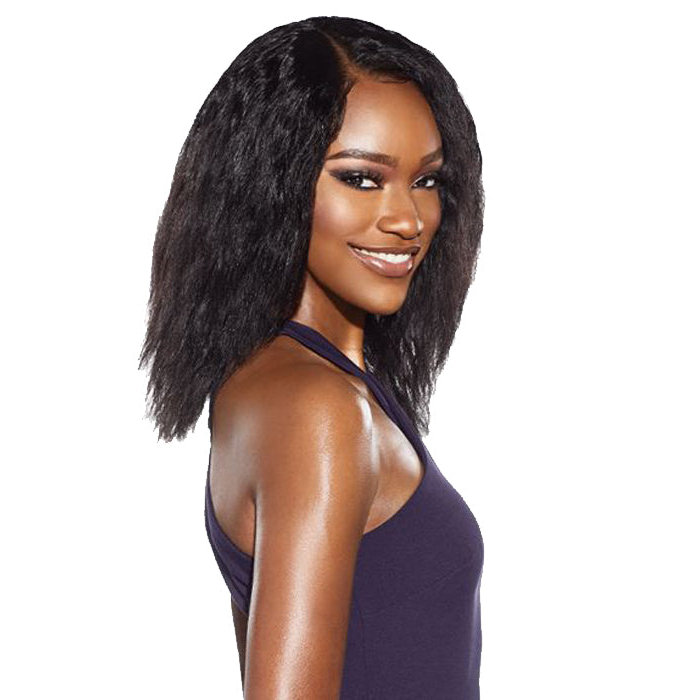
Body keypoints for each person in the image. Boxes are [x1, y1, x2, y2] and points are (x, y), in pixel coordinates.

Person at [140, 15, 485, 699]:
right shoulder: (317, 409)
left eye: (427, 181)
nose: (408, 220)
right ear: (274, 183)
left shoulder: (292, 382)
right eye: (362, 178)